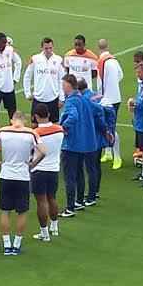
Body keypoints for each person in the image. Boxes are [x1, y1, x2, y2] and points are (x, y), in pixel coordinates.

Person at [0, 111, 46, 256]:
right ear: (24, 120)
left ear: (11, 120)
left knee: (5, 211)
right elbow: (44, 151)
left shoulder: (3, 131)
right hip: (23, 176)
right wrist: (32, 164)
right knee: (21, 212)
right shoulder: (31, 133)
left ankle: (7, 245)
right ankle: (17, 245)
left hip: (6, 175)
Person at [57, 75, 98, 218]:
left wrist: (62, 127)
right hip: (85, 143)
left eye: (63, 85)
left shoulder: (71, 101)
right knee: (80, 172)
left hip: (72, 144)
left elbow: (73, 117)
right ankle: (79, 201)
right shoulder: (84, 99)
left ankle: (70, 208)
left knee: (70, 176)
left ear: (69, 85)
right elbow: (98, 109)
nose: (62, 87)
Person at [31, 104, 63, 242]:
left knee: (41, 201)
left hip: (39, 169)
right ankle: (54, 227)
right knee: (52, 198)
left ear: (36, 117)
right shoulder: (59, 129)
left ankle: (44, 233)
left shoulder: (35, 133)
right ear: (48, 114)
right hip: (54, 169)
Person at [77, 79, 110, 207]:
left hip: (91, 138)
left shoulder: (86, 101)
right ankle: (95, 191)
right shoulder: (94, 95)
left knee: (91, 167)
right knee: (95, 166)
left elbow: (97, 118)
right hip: (99, 137)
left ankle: (91, 196)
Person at [22, 37, 64, 124]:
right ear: (41, 48)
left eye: (50, 48)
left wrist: (61, 98)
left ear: (53, 47)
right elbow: (27, 76)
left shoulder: (58, 60)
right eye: (46, 48)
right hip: (38, 98)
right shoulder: (35, 59)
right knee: (34, 125)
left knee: (54, 124)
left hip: (53, 99)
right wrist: (28, 93)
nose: (48, 50)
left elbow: (62, 80)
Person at [96, 39, 124, 169]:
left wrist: (101, 96)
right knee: (106, 127)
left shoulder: (101, 62)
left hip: (107, 100)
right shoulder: (114, 60)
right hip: (115, 98)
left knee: (109, 128)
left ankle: (117, 156)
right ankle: (108, 152)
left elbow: (100, 82)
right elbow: (120, 75)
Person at [0, 32, 22, 122]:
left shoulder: (9, 50)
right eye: (2, 42)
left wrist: (16, 78)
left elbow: (18, 62)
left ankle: (14, 131)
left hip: (9, 87)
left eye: (5, 42)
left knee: (12, 113)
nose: (5, 45)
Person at [130, 52, 143, 167]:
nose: (135, 64)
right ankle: (140, 153)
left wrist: (137, 104)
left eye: (137, 62)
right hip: (139, 111)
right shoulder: (141, 77)